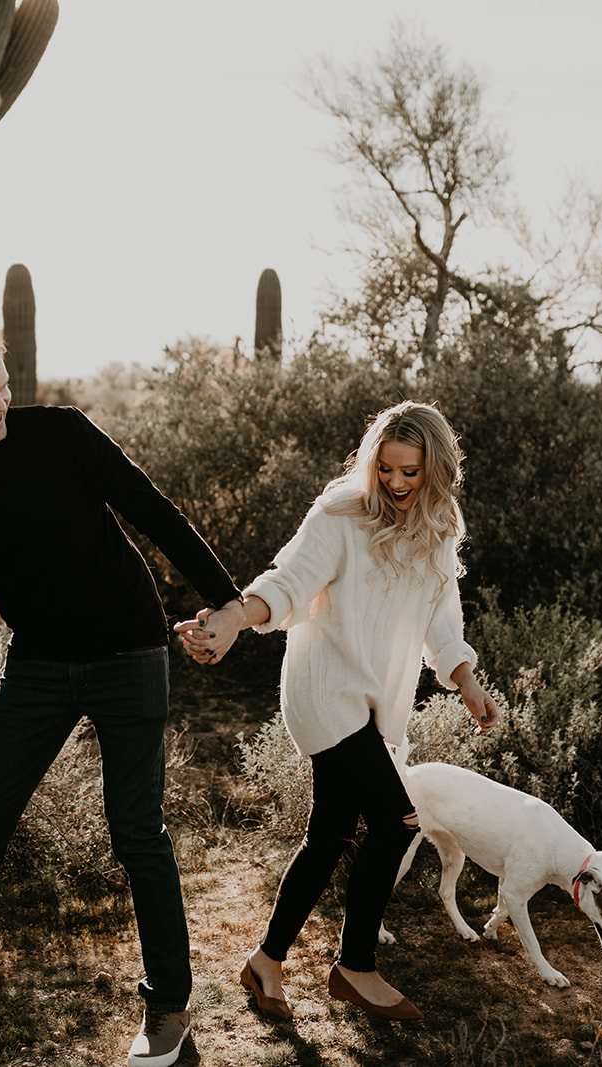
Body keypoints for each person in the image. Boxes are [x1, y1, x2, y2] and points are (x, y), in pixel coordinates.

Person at [0, 320, 242, 1067]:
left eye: (4, 386)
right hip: (38, 664)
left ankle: (168, 1008)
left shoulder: (62, 435)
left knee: (136, 828)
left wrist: (230, 604)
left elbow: (155, 512)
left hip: (130, 650)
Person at [177, 400, 499, 1022]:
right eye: (387, 470)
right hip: (326, 694)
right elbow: (289, 582)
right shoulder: (341, 513)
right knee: (395, 823)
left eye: (412, 473)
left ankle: (266, 962)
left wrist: (465, 679)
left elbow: (443, 619)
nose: (398, 484)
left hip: (378, 707)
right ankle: (356, 968)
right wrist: (235, 619)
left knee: (327, 837)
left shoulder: (438, 527)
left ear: (436, 471)